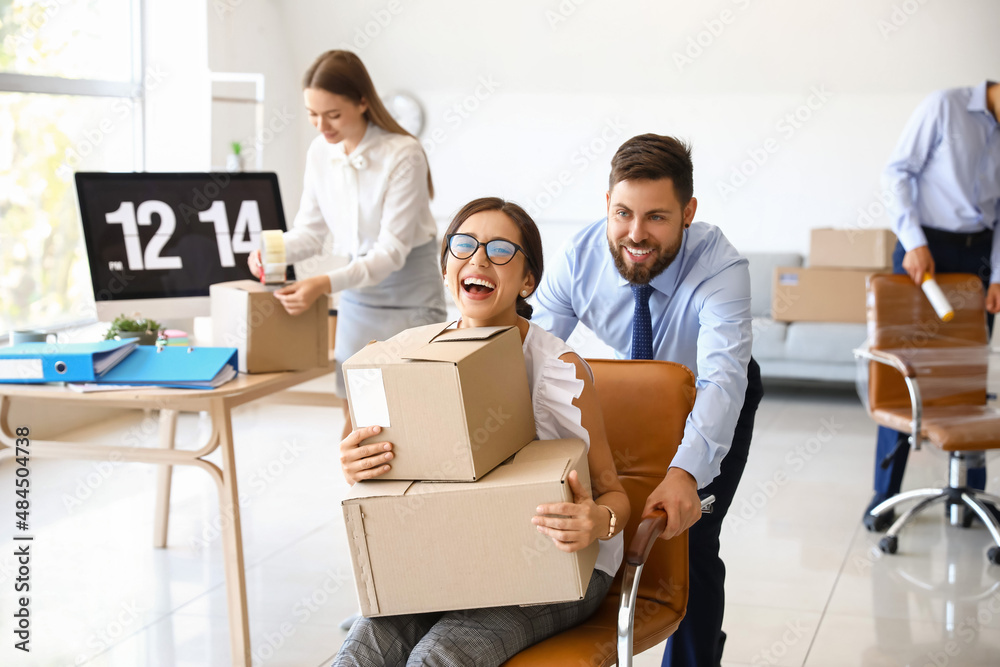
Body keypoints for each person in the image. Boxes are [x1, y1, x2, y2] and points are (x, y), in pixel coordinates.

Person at [332, 197, 631, 666]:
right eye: (464, 245)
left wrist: (599, 520)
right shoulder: (411, 358)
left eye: (499, 250)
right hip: (448, 553)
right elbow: (386, 474)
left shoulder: (559, 370)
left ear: (528, 280)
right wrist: (355, 463)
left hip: (550, 562)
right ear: (447, 264)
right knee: (360, 653)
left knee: (439, 657)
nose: (478, 259)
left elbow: (614, 493)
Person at [532, 133, 762, 667]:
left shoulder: (722, 268)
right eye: (622, 213)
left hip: (709, 398)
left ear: (688, 212)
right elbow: (532, 354)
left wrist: (685, 472)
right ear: (606, 206)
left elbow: (721, 383)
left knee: (690, 540)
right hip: (636, 397)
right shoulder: (580, 257)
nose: (635, 234)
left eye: (656, 217)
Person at [248, 50, 446, 439]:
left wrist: (322, 284)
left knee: (415, 420)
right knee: (357, 421)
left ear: (362, 102)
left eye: (332, 115)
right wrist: (270, 252)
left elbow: (391, 252)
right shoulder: (320, 152)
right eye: (312, 114)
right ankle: (361, 500)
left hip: (410, 295)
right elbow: (310, 233)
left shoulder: (403, 153)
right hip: (358, 296)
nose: (321, 126)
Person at [865, 80, 1000, 532]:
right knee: (906, 373)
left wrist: (998, 274)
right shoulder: (946, 106)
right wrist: (914, 241)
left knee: (966, 373)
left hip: (979, 255)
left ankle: (965, 498)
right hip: (924, 247)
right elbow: (897, 173)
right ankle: (884, 497)